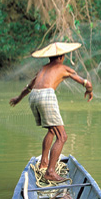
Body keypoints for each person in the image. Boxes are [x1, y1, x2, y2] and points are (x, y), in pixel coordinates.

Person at [9, 42, 93, 182]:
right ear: (61, 57)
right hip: (45, 96)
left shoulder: (42, 69)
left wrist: (18, 98)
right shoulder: (64, 68)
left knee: (52, 130)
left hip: (33, 96)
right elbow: (88, 84)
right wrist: (89, 91)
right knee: (62, 136)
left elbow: (29, 87)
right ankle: (50, 172)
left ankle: (43, 162)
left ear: (50, 58)